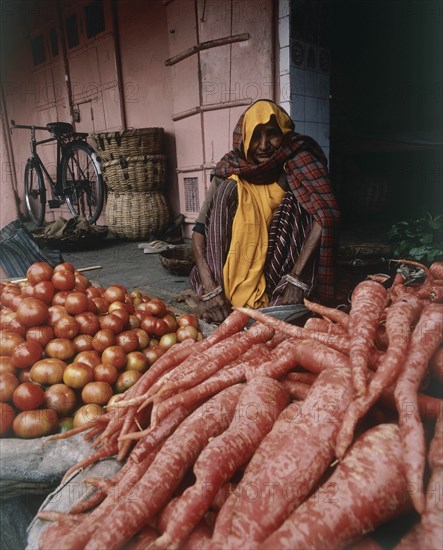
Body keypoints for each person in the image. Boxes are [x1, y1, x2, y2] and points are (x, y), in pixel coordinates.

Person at [190, 99, 340, 323]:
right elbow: (200, 230)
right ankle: (220, 298)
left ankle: (279, 294)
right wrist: (210, 286)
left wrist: (297, 278)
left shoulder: (298, 161)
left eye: (272, 134)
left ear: (285, 134)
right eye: (255, 135)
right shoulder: (230, 168)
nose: (263, 145)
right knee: (229, 189)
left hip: (281, 266)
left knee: (295, 199)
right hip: (226, 272)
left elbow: (325, 214)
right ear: (244, 138)